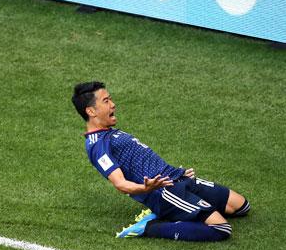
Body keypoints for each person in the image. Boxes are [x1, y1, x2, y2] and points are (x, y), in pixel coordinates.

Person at [71, 81, 250, 241]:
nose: (113, 104)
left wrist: (175, 171)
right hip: (164, 191)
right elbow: (120, 184)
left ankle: (176, 212)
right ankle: (149, 227)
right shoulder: (97, 146)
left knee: (241, 207)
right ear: (91, 111)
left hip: (177, 177)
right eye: (106, 101)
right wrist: (146, 189)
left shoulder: (110, 133)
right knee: (221, 229)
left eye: (110, 99)